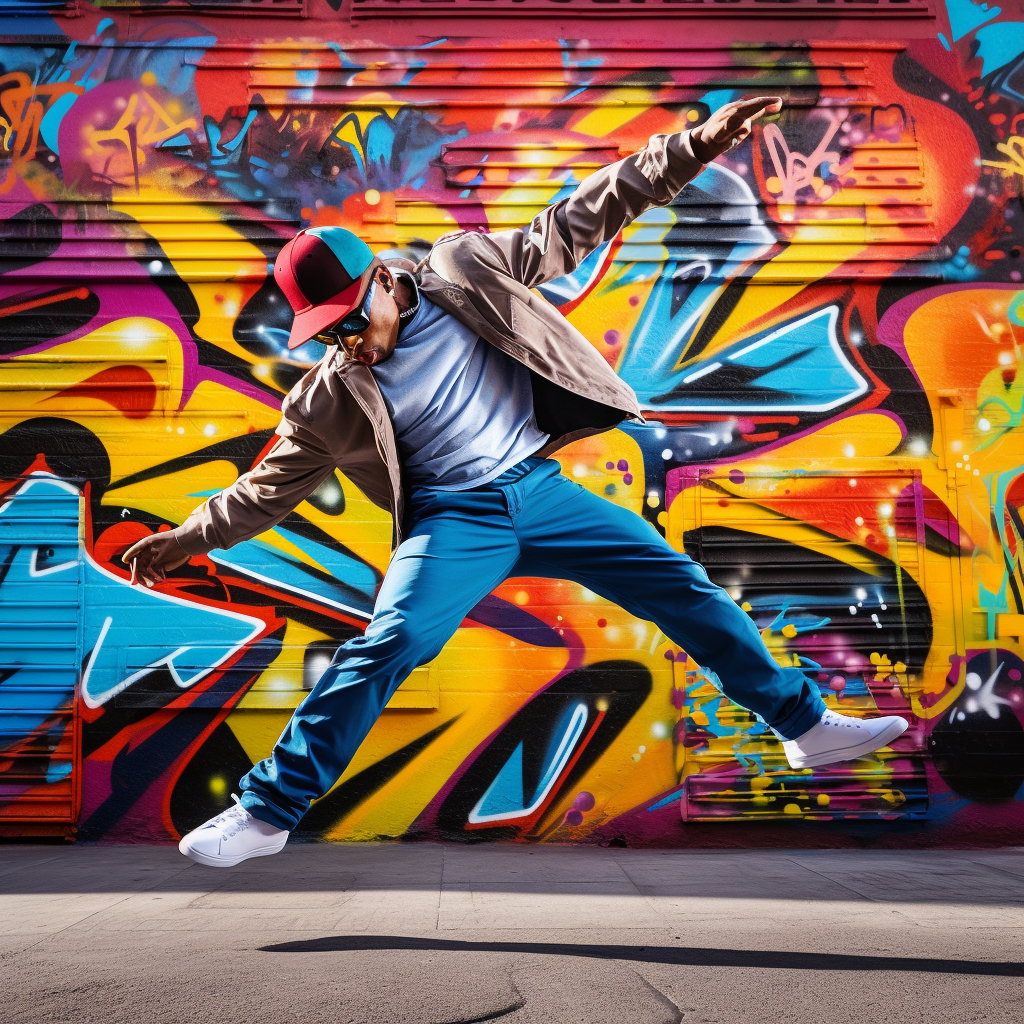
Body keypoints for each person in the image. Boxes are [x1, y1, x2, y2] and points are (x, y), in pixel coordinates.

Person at [123, 96, 908, 867]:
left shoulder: (464, 272)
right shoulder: (327, 394)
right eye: (326, 332)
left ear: (384, 285)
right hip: (452, 520)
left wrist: (696, 144)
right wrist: (185, 540)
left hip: (539, 490)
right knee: (388, 643)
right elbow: (263, 490)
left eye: (352, 321)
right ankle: (266, 812)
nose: (347, 341)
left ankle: (801, 725)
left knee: (683, 586)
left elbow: (586, 214)